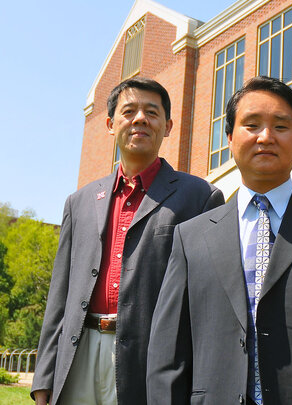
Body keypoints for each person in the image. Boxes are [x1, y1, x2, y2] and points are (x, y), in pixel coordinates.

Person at [146, 76, 292, 405]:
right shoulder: (191, 237)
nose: (266, 137)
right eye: (252, 124)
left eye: (281, 126)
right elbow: (168, 355)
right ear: (229, 138)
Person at [31, 77, 225, 405]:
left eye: (151, 112)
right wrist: (44, 377)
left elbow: (208, 303)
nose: (139, 119)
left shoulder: (200, 198)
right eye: (129, 111)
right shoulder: (79, 202)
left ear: (168, 126)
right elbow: (59, 296)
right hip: (78, 354)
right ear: (110, 124)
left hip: (151, 360)